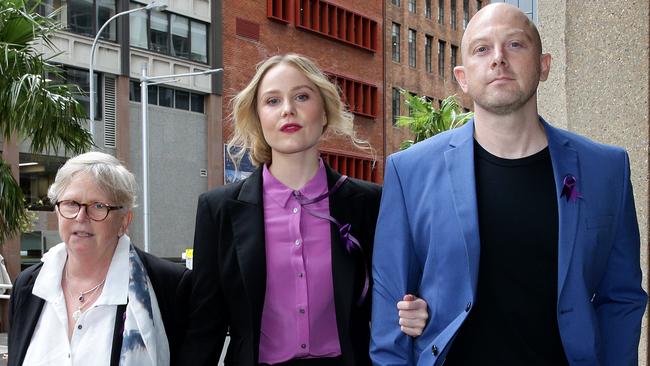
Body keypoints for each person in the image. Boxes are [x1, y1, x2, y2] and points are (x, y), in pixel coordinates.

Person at [370, 3, 647, 366]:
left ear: (544, 66)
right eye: (482, 49)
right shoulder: (409, 172)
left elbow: (621, 297)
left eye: (515, 44)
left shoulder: (605, 169)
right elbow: (390, 312)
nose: (498, 58)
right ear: (462, 76)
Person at [182, 54, 428, 366]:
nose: (288, 109)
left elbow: (397, 298)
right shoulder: (218, 210)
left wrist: (417, 308)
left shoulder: (371, 203)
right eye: (272, 101)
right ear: (258, 117)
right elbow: (204, 326)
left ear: (324, 112)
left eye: (301, 96)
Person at [8, 152, 191, 366]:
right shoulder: (28, 286)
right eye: (71, 203)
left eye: (98, 206)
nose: (80, 217)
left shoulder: (169, 286)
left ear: (124, 221)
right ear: (57, 211)